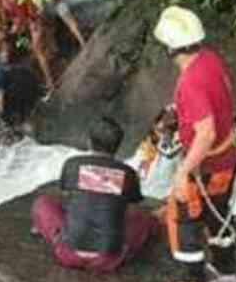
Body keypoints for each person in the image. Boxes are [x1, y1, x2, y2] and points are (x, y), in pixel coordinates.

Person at [152, 5, 236, 282]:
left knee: (182, 216)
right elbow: (220, 101)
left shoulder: (190, 81)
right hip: (228, 158)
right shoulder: (210, 59)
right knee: (219, 210)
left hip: (208, 165)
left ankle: (194, 280)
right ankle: (227, 265)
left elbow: (206, 132)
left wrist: (183, 171)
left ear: (170, 48)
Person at [32, 116, 158, 273]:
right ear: (118, 146)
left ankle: (51, 234)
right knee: (143, 218)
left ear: (89, 141)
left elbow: (64, 193)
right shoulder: (128, 173)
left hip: (68, 254)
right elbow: (134, 201)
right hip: (109, 259)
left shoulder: (72, 164)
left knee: (42, 203)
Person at [0, 0, 58, 97]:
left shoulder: (6, 0)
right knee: (46, 49)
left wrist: (13, 31)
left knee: (39, 53)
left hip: (36, 20)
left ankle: (51, 83)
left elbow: (21, 18)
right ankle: (54, 75)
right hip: (41, 14)